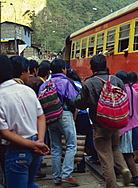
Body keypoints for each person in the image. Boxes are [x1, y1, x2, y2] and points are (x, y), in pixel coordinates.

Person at [0, 54, 50, 188]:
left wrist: (32, 145)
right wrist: (39, 141)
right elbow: (40, 116)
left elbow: (4, 132)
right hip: (35, 146)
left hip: (18, 150)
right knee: (29, 184)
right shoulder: (27, 90)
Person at [74, 54, 131, 188]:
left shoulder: (90, 83)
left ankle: (111, 185)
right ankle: (123, 167)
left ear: (92, 67)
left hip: (100, 124)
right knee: (115, 147)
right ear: (105, 65)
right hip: (116, 122)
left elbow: (80, 103)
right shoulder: (117, 80)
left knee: (105, 156)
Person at [38, 58, 79, 186]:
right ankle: (66, 175)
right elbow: (74, 100)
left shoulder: (45, 84)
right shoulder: (65, 82)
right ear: (63, 69)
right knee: (71, 145)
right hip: (64, 115)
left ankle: (56, 178)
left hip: (50, 118)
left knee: (55, 148)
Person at [66, 68, 98, 174]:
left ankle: (81, 165)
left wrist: (74, 119)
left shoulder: (70, 85)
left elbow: (75, 104)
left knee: (77, 141)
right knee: (88, 138)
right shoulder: (80, 84)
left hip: (78, 116)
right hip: (85, 115)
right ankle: (96, 155)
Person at [115, 70, 138, 186]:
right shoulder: (133, 90)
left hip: (124, 126)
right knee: (128, 152)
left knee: (124, 152)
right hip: (135, 125)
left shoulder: (121, 91)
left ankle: (133, 175)